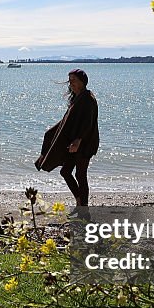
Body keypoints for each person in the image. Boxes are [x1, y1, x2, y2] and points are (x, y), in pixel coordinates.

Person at [35, 68, 99, 206]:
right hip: (74, 143)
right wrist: (47, 142)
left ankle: (84, 209)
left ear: (83, 82)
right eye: (70, 81)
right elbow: (66, 121)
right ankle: (79, 201)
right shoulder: (77, 98)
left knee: (80, 175)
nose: (71, 84)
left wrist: (78, 140)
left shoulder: (88, 98)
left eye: (74, 81)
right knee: (65, 171)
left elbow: (88, 122)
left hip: (85, 143)